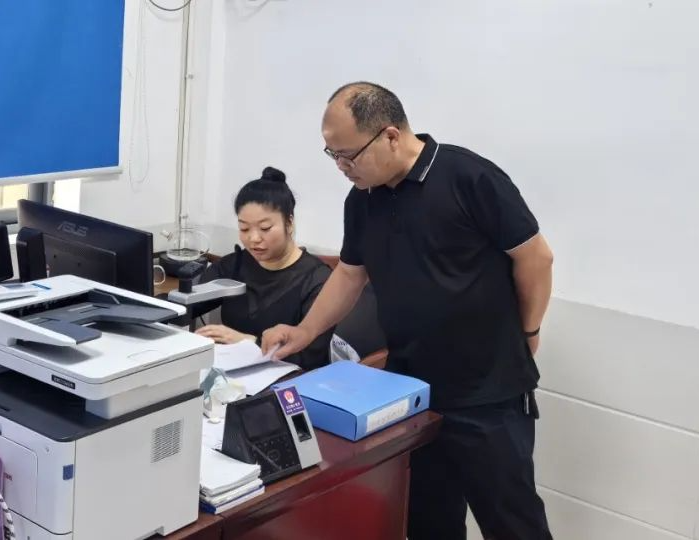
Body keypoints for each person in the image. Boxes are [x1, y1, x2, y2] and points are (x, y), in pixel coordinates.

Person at [262, 82, 555, 539]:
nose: (341, 167)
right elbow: (350, 275)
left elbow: (536, 258)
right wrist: (305, 330)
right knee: (428, 524)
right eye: (332, 155)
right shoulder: (363, 200)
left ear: (391, 136)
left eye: (348, 155)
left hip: (487, 395)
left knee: (513, 524)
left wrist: (529, 330)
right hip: (410, 391)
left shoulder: (468, 177)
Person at [191, 166, 334, 372]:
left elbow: (312, 356)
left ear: (289, 222)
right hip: (233, 375)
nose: (253, 238)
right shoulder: (235, 265)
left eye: (265, 228)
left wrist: (247, 341)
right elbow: (189, 305)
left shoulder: (317, 278)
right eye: (244, 228)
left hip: (291, 380)